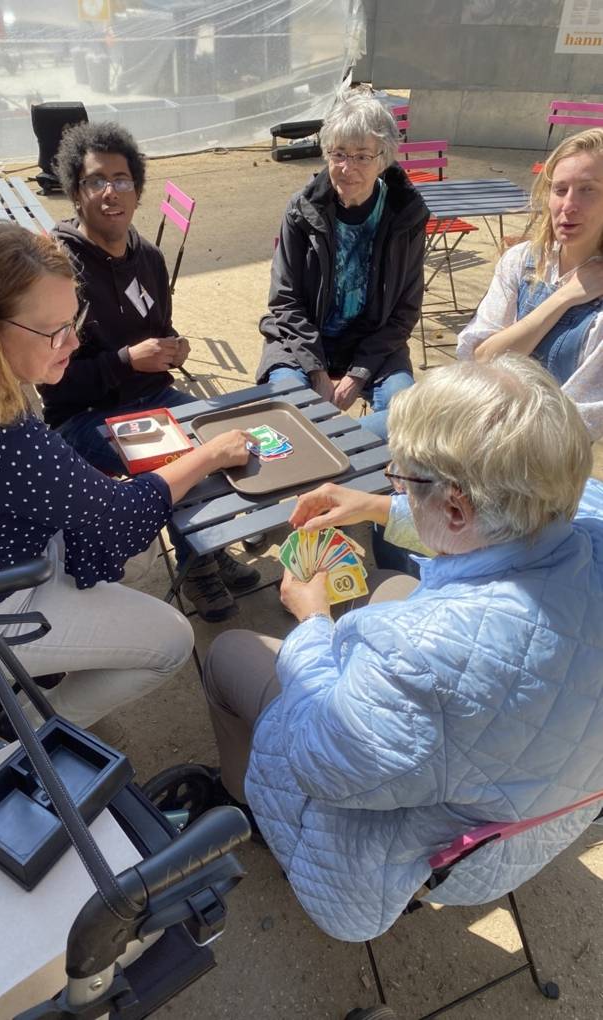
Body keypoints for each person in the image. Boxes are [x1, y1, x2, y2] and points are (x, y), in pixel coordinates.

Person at [198, 355, 603, 942]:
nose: (395, 487)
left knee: (231, 653)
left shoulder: (417, 654)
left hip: (422, 855)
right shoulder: (584, 511)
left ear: (457, 506)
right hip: (539, 816)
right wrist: (376, 508)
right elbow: (509, 531)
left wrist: (311, 620)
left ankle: (245, 803)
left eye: (402, 481)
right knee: (390, 587)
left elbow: (316, 757)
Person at [0, 220, 251, 729]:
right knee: (172, 640)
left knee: (123, 570)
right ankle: (28, 736)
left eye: (76, 321)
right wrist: (209, 455)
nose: (72, 342)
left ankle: (31, 688)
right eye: (55, 331)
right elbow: (123, 517)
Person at [38, 120, 259, 623]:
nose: (110, 192)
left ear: (137, 189)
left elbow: (160, 327)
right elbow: (53, 381)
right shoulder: (56, 268)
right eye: (96, 181)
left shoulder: (150, 259)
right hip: (87, 416)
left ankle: (203, 546)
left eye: (121, 179)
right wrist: (125, 361)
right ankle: (199, 565)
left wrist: (172, 348)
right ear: (76, 192)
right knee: (185, 457)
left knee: (227, 436)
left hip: (156, 396)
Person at [257, 91, 429, 441]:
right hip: (300, 343)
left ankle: (331, 452)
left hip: (376, 346)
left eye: (362, 156)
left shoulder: (406, 216)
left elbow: (405, 311)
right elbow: (285, 301)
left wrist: (358, 375)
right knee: (285, 415)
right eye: (339, 154)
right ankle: (332, 451)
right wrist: (318, 372)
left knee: (409, 422)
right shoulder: (301, 209)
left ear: (383, 159)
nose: (347, 169)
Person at [458, 126, 603, 440]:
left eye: (587, 190)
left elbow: (579, 421)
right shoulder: (522, 260)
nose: (568, 206)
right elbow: (480, 358)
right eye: (560, 189)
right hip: (480, 430)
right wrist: (563, 298)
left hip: (542, 464)